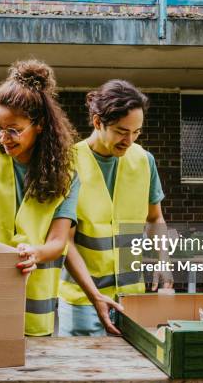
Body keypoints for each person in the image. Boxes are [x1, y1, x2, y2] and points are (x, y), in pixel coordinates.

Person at [0, 59, 79, 337]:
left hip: (36, 304)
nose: (4, 137)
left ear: (40, 125)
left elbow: (59, 240)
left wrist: (36, 254)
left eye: (14, 130)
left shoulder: (67, 174)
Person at [58, 79, 171, 336]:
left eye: (136, 132)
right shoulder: (68, 163)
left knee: (129, 376)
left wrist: (162, 259)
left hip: (131, 301)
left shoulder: (144, 160)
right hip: (82, 301)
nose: (129, 140)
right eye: (122, 131)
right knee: (84, 375)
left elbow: (155, 218)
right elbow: (65, 241)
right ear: (98, 122)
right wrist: (94, 295)